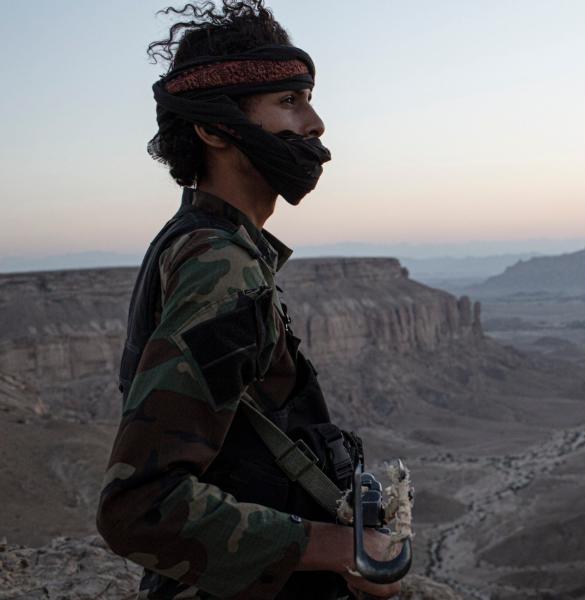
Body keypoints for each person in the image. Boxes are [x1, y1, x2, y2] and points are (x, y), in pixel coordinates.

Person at [96, 2, 402, 598]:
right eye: (289, 101)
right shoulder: (220, 265)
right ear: (213, 128)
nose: (315, 124)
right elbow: (140, 506)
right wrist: (336, 547)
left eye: (308, 98)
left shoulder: (212, 243)